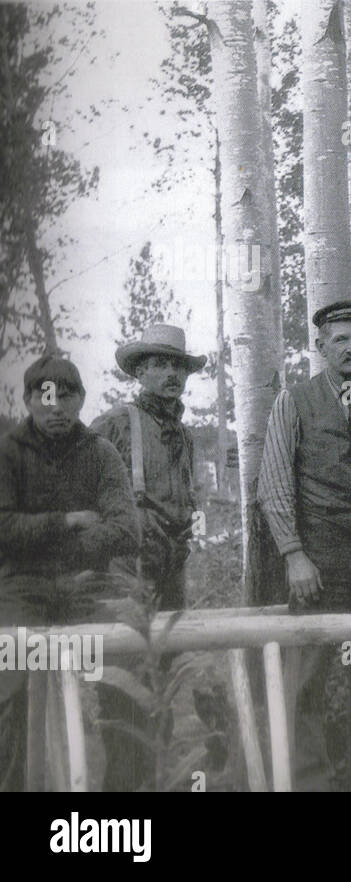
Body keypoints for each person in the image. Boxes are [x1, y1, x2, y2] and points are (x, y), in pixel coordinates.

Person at [257, 299, 351, 791]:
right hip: (320, 553)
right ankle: (308, 780)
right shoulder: (295, 400)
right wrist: (294, 555)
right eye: (341, 339)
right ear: (321, 345)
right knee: (309, 671)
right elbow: (273, 483)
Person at [0, 355, 140, 791]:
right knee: (11, 683)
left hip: (88, 587)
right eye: (45, 397)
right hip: (21, 588)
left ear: (81, 399)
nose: (56, 407)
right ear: (28, 401)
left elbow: (126, 530)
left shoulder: (100, 452)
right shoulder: (7, 453)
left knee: (127, 678)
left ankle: (125, 793)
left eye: (66, 396)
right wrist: (66, 521)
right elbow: (3, 529)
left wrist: (56, 546)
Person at [91, 324, 206, 791]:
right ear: (139, 372)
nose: (171, 374)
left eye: (178, 365)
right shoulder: (116, 424)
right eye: (159, 364)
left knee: (164, 689)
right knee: (123, 693)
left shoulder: (186, 435)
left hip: (170, 573)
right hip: (124, 575)